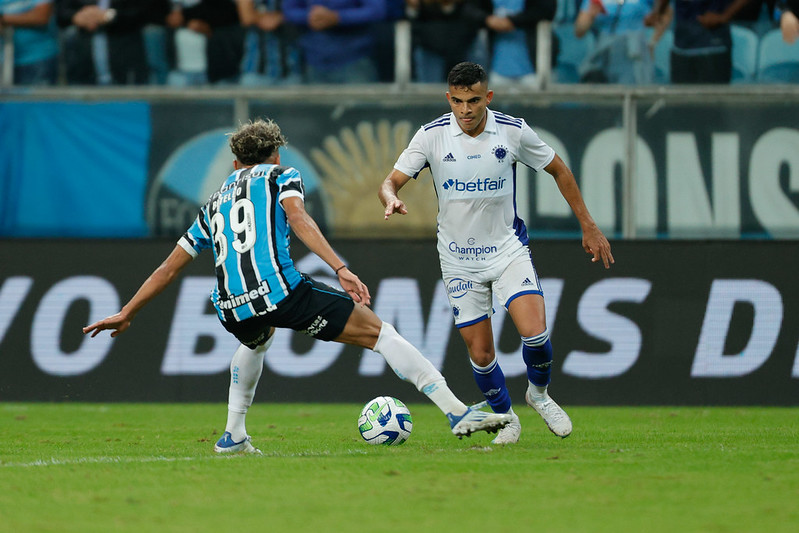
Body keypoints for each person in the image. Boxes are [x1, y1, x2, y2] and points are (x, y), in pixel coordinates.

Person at [83, 118, 512, 454]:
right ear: (275, 154)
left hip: (231, 307)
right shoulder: (280, 176)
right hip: (282, 291)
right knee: (381, 333)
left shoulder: (211, 203)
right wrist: (340, 268)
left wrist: (128, 311)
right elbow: (299, 220)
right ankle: (457, 414)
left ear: (235, 163)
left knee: (256, 341)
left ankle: (233, 436)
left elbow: (167, 269)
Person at [378, 62, 614, 445]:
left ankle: (538, 395)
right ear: (449, 99)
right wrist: (391, 197)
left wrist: (588, 225)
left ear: (488, 97)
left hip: (507, 249)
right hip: (457, 258)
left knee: (534, 333)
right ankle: (507, 418)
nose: (466, 110)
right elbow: (390, 182)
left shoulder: (513, 130)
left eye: (473, 100)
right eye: (458, 101)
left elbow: (560, 170)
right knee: (481, 352)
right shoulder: (431, 136)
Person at [648, 0, 752, 84]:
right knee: (680, 104)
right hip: (681, 48)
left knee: (713, 103)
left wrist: (724, 16)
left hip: (714, 46)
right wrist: (657, 13)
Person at [282, 0, 385, 84]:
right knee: (317, 108)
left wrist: (337, 17)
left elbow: (377, 10)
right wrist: (310, 16)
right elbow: (289, 10)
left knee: (361, 108)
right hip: (314, 60)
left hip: (355, 60)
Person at [56, 0, 153, 85]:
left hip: (125, 65)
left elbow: (143, 12)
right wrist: (77, 16)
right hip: (83, 66)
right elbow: (62, 13)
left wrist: (108, 15)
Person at [462, 0, 557, 87]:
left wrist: (513, 22)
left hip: (533, 71)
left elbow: (546, 10)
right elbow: (469, 11)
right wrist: (487, 19)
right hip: (496, 69)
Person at [574, 0, 665, 84]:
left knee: (632, 90)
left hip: (634, 51)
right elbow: (579, 31)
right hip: (605, 50)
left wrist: (653, 42)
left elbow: (665, 13)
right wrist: (591, 15)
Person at [235, 0, 302, 85]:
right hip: (256, 69)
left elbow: (310, 12)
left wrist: (280, 18)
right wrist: (263, 17)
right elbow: (246, 17)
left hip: (291, 68)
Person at [0, 0, 59, 86]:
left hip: (37, 59)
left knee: (38, 99)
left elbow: (42, 16)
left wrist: (3, 19)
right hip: (4, 62)